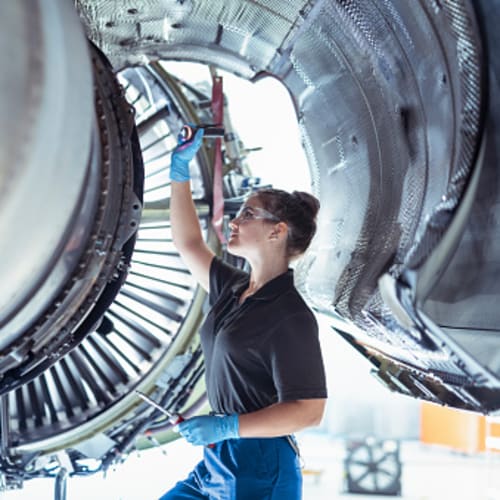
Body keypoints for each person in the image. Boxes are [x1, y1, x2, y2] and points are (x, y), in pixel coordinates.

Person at [159, 128, 327, 500]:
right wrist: (179, 173)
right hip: (219, 460)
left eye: (248, 214)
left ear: (277, 232)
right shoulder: (232, 289)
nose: (234, 222)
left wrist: (226, 427)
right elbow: (188, 243)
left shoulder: (290, 316)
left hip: (260, 466)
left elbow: (309, 411)